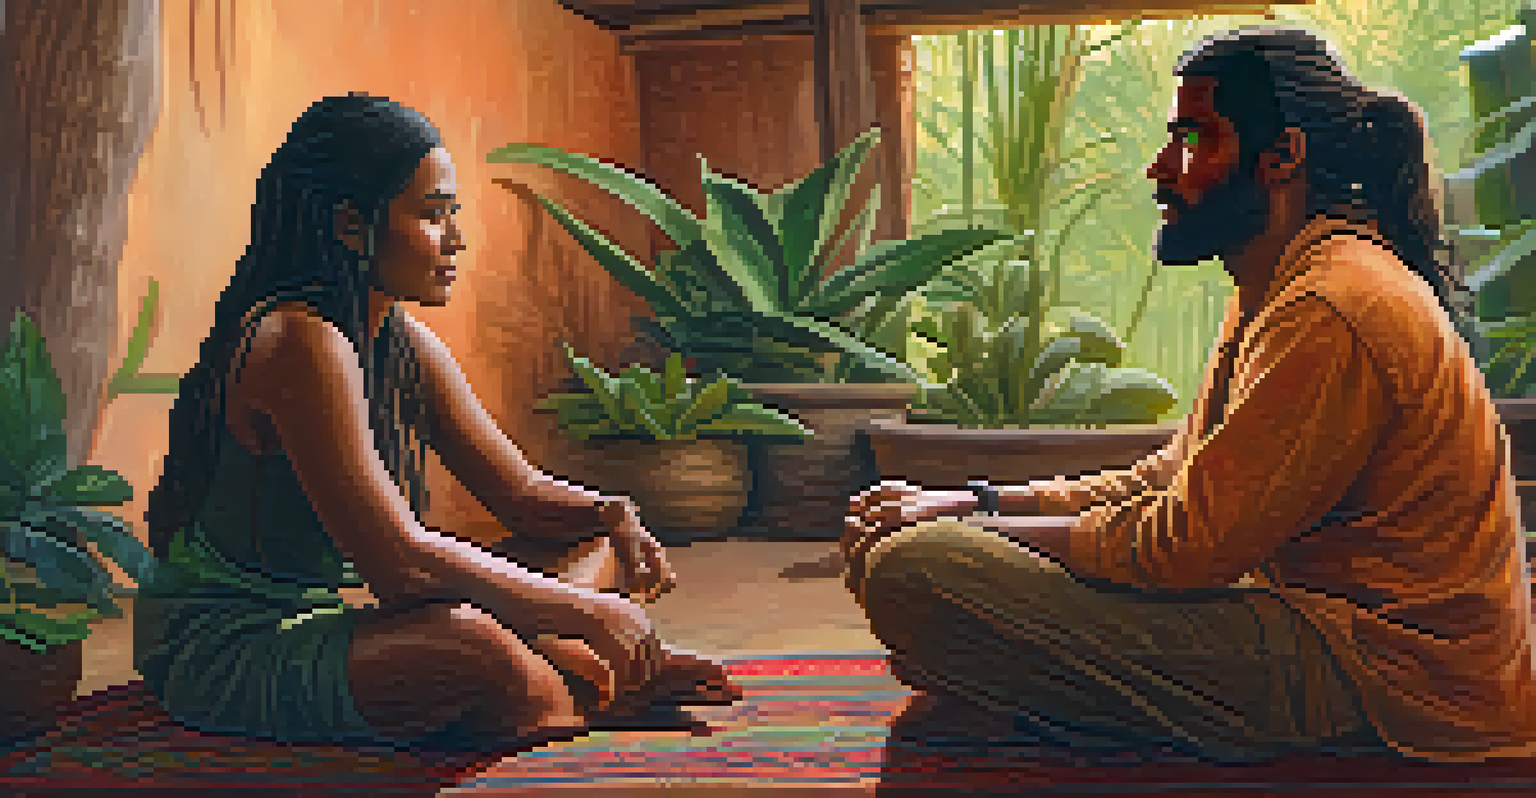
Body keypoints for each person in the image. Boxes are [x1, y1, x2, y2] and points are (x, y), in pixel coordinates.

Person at [844, 26, 1536, 763]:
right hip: (1309, 631)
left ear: (1282, 156)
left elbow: (1182, 548)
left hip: (1387, 683)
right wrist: (972, 504)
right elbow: (1170, 480)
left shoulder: (1334, 304)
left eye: (1191, 139)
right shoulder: (1282, 282)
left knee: (913, 571)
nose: (1160, 168)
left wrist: (977, 541)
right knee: (917, 554)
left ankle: (1043, 700)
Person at [135, 93, 739, 750]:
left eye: (452, 214)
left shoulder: (400, 341)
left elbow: (523, 496)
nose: (455, 238)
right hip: (232, 648)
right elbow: (402, 567)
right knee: (473, 646)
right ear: (349, 224)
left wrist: (612, 512)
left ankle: (577, 676)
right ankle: (584, 685)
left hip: (337, 624)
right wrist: (591, 612)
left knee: (588, 544)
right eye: (431, 215)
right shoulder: (297, 343)